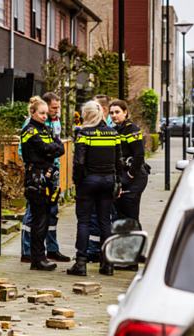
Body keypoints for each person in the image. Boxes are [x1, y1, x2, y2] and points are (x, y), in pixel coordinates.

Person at [68, 100, 122, 277]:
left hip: (89, 181)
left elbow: (78, 162)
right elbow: (119, 161)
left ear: (87, 115)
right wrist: (118, 182)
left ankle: (81, 263)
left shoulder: (84, 133)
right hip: (107, 180)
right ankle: (107, 264)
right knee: (105, 221)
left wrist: (78, 183)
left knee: (84, 222)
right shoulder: (113, 133)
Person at [19, 93, 71, 263]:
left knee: (50, 214)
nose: (56, 111)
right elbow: (34, 148)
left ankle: (51, 249)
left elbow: (59, 147)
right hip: (37, 174)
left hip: (51, 173)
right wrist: (42, 157)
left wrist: (49, 152)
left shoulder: (52, 124)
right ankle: (29, 252)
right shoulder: (31, 126)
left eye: (58, 108)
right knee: (34, 215)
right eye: (53, 108)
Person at [111, 99, 149, 230]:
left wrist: (131, 174)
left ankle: (137, 247)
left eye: (117, 112)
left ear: (125, 112)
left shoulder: (131, 129)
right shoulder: (116, 129)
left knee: (130, 216)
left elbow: (139, 154)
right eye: (111, 113)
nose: (114, 115)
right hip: (124, 177)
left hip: (134, 178)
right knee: (121, 216)